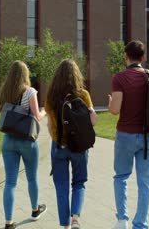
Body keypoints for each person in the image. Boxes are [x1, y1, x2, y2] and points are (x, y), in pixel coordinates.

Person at [108, 41, 149, 229]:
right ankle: (141, 224)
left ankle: (122, 220)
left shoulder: (119, 78)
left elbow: (115, 110)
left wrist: (111, 101)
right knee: (145, 183)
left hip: (125, 135)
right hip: (147, 138)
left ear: (125, 56)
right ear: (143, 58)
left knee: (121, 177)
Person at [45, 59, 98, 229]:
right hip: (79, 147)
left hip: (58, 146)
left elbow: (50, 124)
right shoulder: (83, 95)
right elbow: (93, 121)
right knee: (79, 182)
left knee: (61, 187)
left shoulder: (51, 97)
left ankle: (65, 226)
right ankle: (75, 218)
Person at [0, 61, 48, 229]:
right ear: (25, 75)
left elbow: (2, 111)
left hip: (8, 140)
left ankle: (8, 223)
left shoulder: (4, 91)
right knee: (31, 177)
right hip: (27, 140)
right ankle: (35, 210)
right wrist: (45, 110)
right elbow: (37, 117)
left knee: (10, 182)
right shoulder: (30, 92)